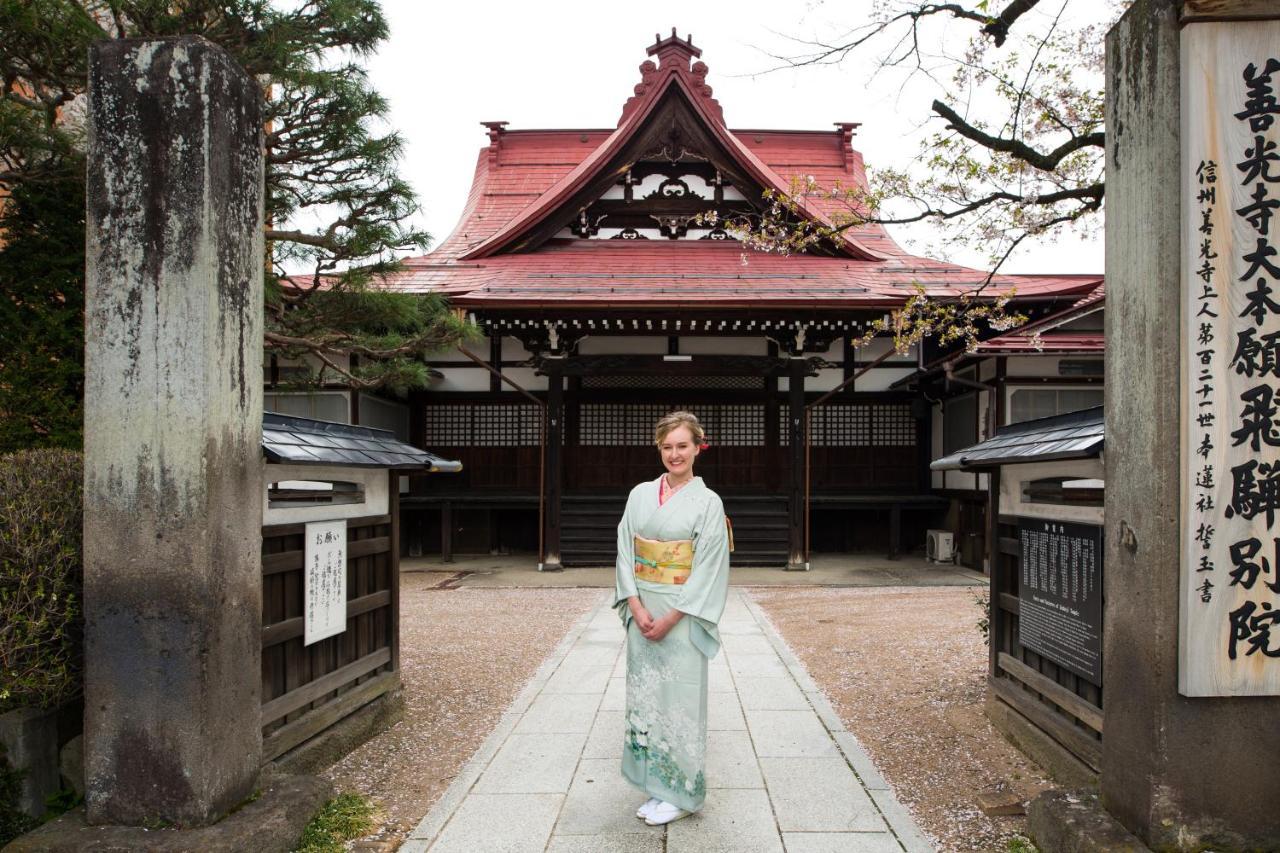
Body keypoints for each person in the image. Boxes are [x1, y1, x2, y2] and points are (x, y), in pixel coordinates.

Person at [613, 410, 731, 826]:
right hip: (644, 607)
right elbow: (626, 549)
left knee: (680, 701)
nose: (675, 454)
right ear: (658, 449)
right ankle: (655, 785)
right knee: (646, 699)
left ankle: (681, 792)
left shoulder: (708, 502)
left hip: (681, 613)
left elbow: (710, 566)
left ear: (699, 447)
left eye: (683, 446)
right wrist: (637, 606)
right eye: (667, 446)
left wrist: (672, 617)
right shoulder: (639, 494)